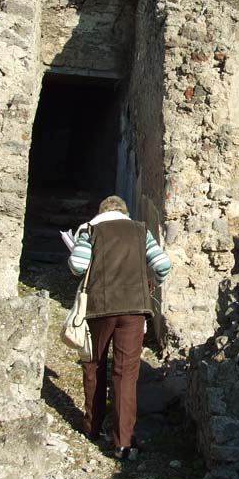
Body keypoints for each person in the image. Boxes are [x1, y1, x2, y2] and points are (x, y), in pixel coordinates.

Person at [67, 195, 171, 460]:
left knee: (94, 364)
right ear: (124, 213)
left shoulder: (91, 231)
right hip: (135, 309)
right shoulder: (141, 231)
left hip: (100, 308)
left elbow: (78, 265)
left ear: (101, 212)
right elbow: (162, 264)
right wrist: (152, 282)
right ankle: (123, 442)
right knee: (125, 373)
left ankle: (92, 427)